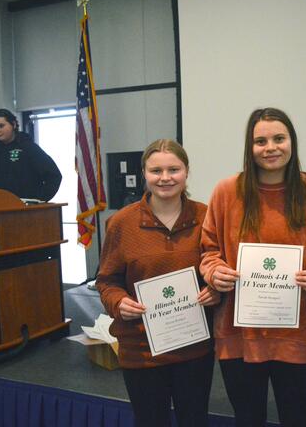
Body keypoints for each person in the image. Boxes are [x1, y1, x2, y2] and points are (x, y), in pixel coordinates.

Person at [200, 107, 306, 426]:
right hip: (239, 332)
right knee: (248, 417)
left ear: (292, 142)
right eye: (260, 141)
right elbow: (208, 250)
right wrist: (214, 271)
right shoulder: (227, 191)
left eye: (279, 138)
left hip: (297, 330)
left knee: (295, 417)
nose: (270, 148)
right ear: (249, 148)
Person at [96, 139, 219, 427]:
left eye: (173, 169)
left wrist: (216, 291)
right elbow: (107, 280)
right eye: (156, 171)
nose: (165, 178)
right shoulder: (121, 223)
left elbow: (218, 267)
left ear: (187, 171)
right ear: (144, 174)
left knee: (195, 419)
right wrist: (118, 302)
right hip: (142, 350)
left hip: (194, 347)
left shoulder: (207, 216)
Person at [0, 108, 62, 201]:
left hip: (26, 210)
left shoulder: (29, 148)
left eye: (1, 126)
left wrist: (40, 200)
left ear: (14, 124)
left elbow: (53, 176)